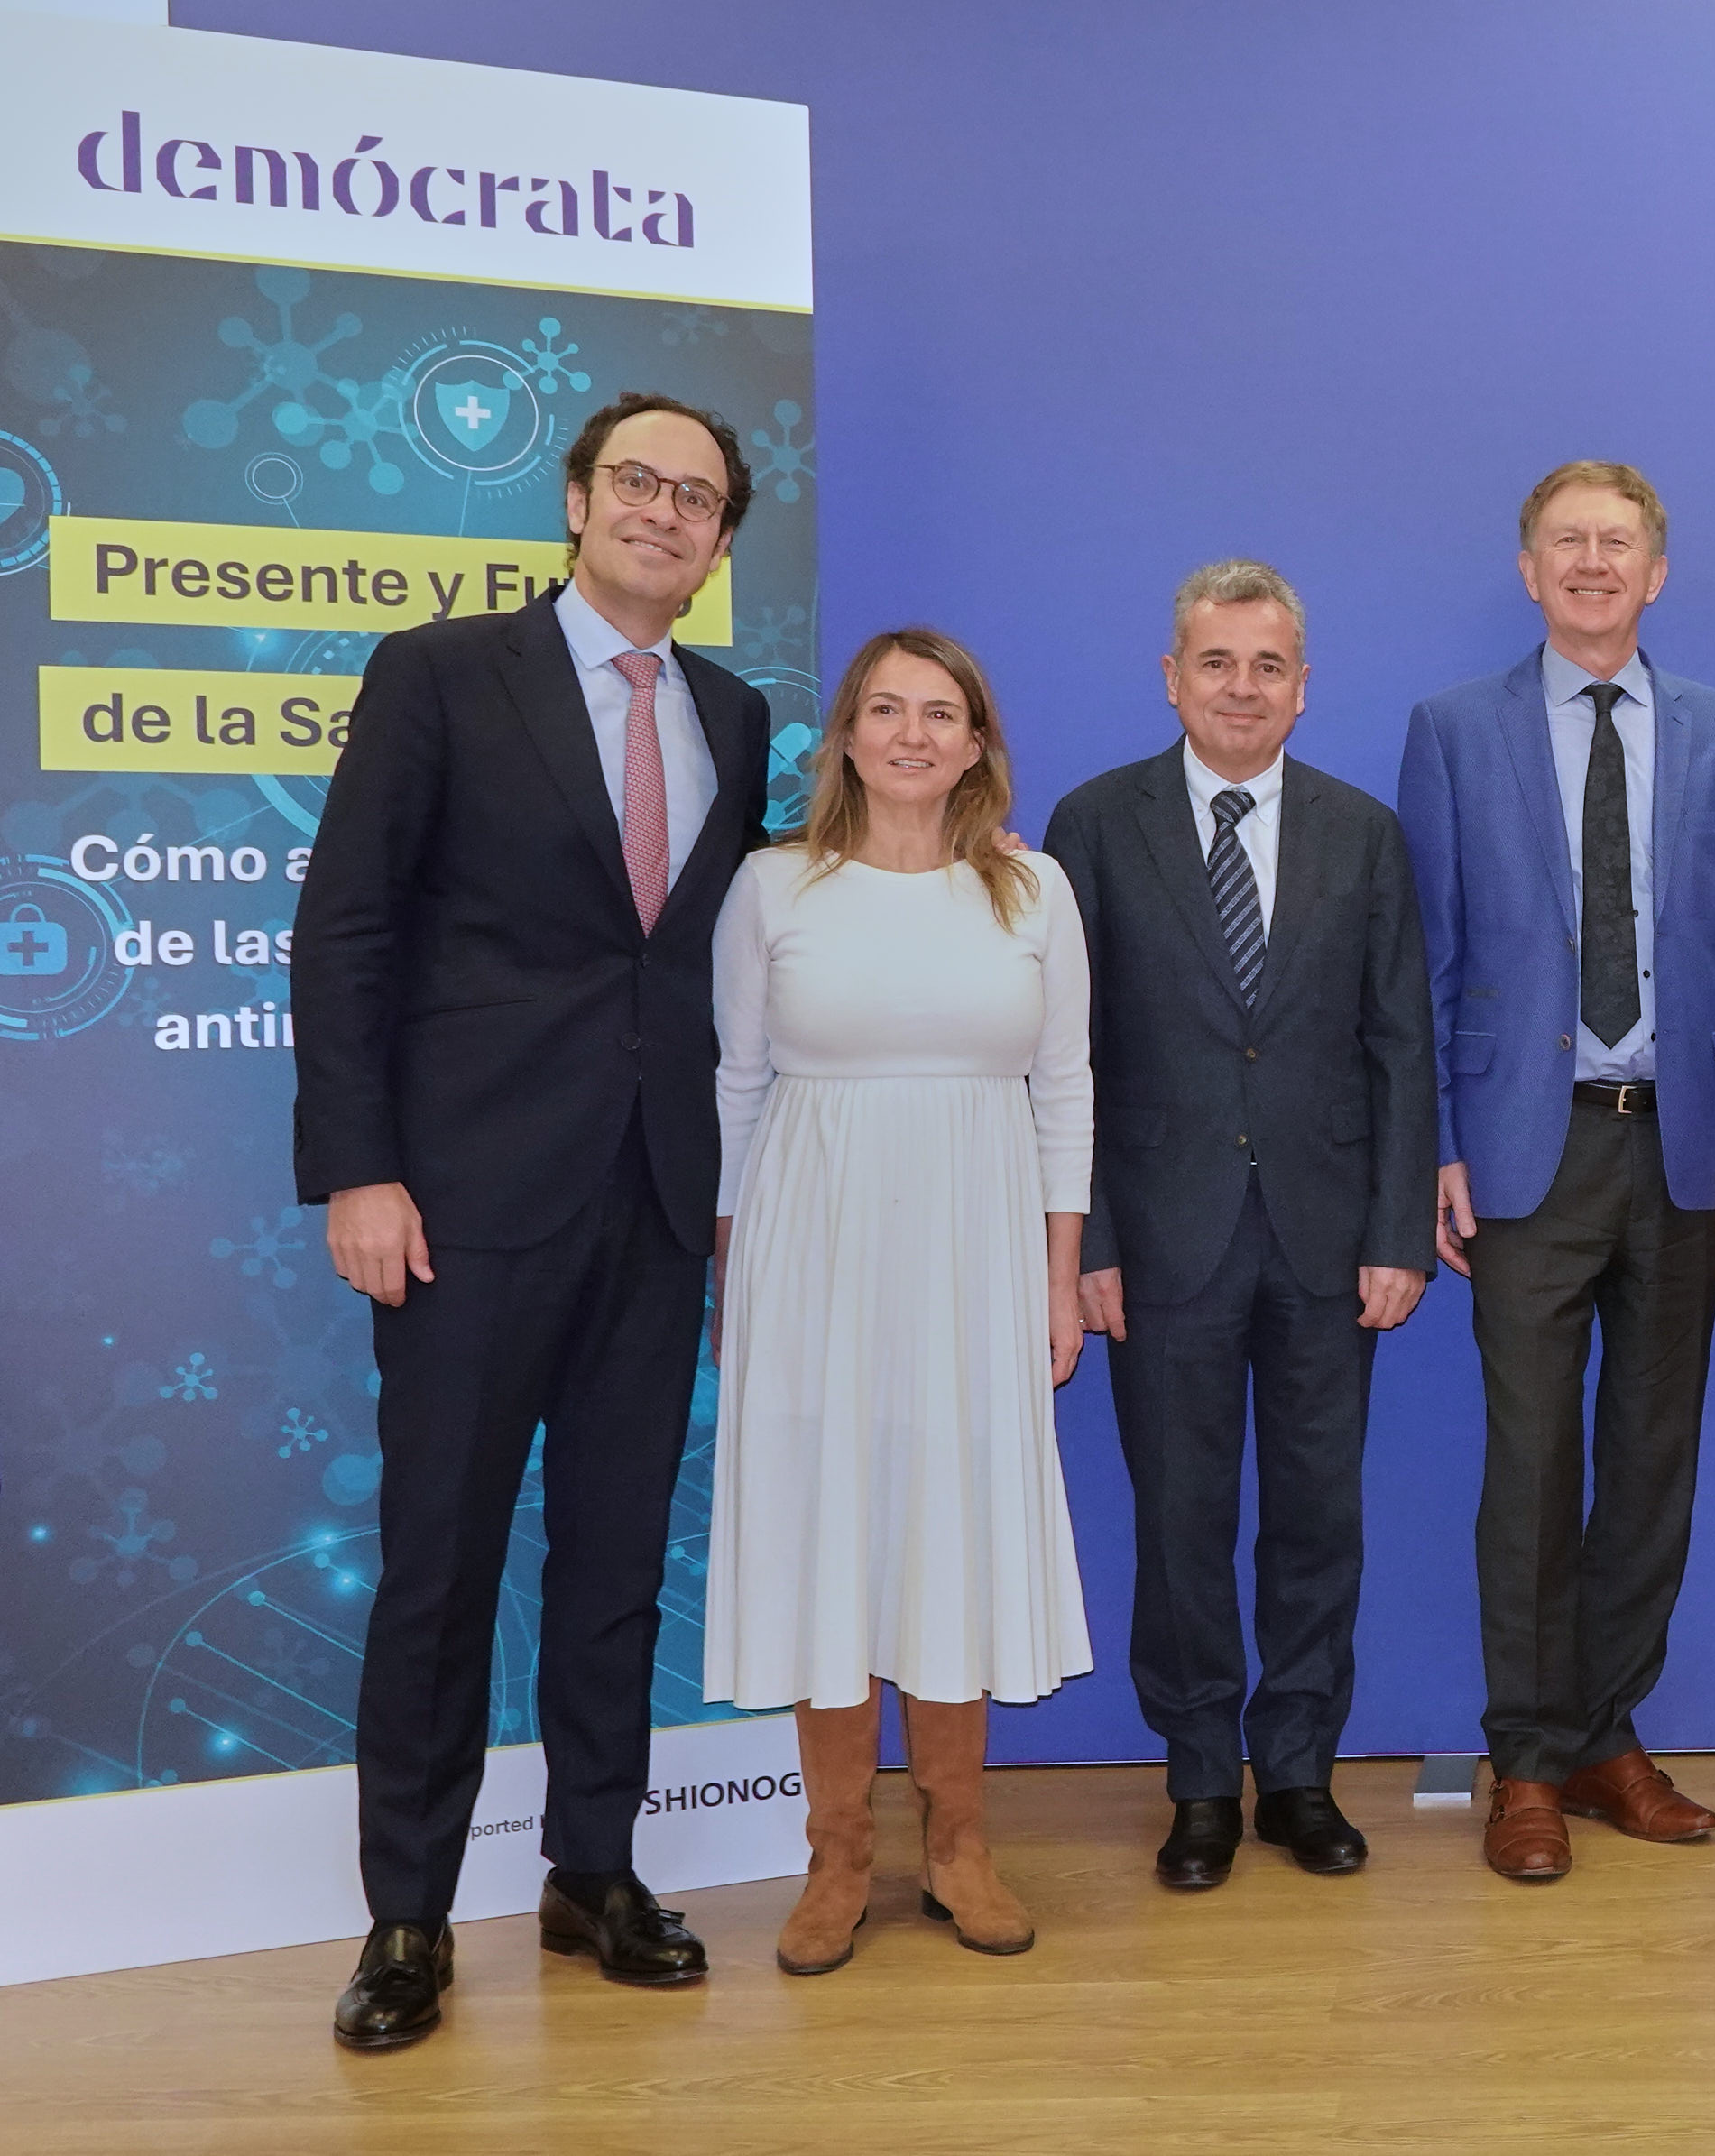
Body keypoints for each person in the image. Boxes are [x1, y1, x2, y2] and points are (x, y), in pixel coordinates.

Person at [296, 392, 774, 2050]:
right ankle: (408, 1915)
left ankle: (595, 1870)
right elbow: (347, 926)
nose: (663, 512)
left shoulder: (735, 711)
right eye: (637, 480)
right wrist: (359, 1167)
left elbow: (704, 951)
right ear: (576, 502)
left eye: (696, 498)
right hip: (462, 1203)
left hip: (654, 1201)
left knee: (620, 1557)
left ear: (720, 543)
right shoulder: (440, 674)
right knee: (440, 1562)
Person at [1397, 461, 1715, 1884]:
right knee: (1531, 1466)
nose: (1594, 561)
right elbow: (1427, 958)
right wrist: (1440, 1140)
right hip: (1525, 1146)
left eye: (1619, 542)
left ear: (1657, 573)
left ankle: (1608, 1732)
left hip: (1679, 1143)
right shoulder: (1454, 730)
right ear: (1529, 568)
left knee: (1652, 1463)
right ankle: (1527, 1758)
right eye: (1568, 540)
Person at [704, 627, 1096, 1972]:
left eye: (941, 712)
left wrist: (1057, 1276)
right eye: (886, 709)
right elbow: (735, 1086)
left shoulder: (1033, 891)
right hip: (809, 1249)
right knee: (829, 1533)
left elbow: (1067, 1091)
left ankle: (959, 1847)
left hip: (977, 1251)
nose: (913, 734)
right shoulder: (773, 887)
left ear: (978, 744)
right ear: (849, 740)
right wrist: (731, 1275)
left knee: (952, 1532)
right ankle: (837, 1857)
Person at [1045, 561, 1433, 1897]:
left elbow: (1401, 1044)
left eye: (1269, 666)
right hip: (1162, 1238)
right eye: (1217, 662)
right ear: (1173, 677)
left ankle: (1302, 1769)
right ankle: (1203, 1774)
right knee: (1181, 1517)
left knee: (1319, 1517)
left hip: (1329, 1237)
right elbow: (1067, 1054)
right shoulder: (1098, 824)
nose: (1242, 688)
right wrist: (1088, 1241)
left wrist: (1400, 1231)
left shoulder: (1362, 832)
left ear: (1303, 687)